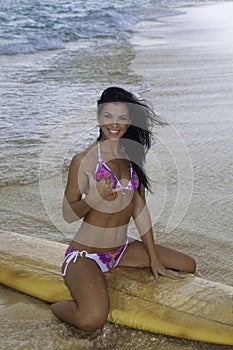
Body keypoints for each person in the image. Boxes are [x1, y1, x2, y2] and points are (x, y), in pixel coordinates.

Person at [50, 87, 196, 331]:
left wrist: (154, 259)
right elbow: (68, 213)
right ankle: (53, 305)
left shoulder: (130, 157)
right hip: (86, 255)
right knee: (91, 319)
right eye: (108, 116)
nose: (115, 124)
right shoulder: (84, 159)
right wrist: (94, 198)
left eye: (122, 117)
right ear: (98, 118)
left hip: (120, 250)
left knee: (187, 264)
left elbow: (139, 209)